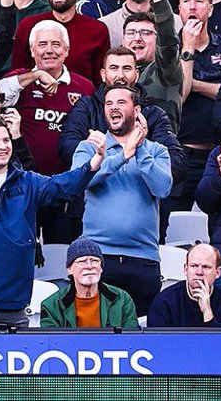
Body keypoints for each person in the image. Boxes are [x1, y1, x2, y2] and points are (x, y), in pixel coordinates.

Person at [0, 115, 106, 329]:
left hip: (13, 307)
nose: (3, 146)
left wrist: (94, 162)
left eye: (6, 140)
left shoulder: (28, 181)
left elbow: (63, 187)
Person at [70, 83, 173, 314]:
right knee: (95, 333)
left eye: (120, 102)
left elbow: (163, 188)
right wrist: (120, 157)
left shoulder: (157, 150)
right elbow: (78, 182)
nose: (113, 108)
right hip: (97, 257)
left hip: (142, 258)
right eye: (108, 103)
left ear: (137, 111)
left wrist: (138, 150)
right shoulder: (90, 147)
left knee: (139, 336)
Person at [39, 238, 139, 328]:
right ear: (69, 269)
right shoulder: (52, 305)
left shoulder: (122, 299)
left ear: (101, 268)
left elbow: (132, 340)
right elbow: (52, 343)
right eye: (82, 261)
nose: (89, 266)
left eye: (94, 261)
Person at [147, 243, 221, 326]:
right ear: (185, 269)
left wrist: (207, 312)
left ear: (218, 272)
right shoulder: (165, 301)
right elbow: (157, 338)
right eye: (194, 266)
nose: (199, 272)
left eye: (206, 267)